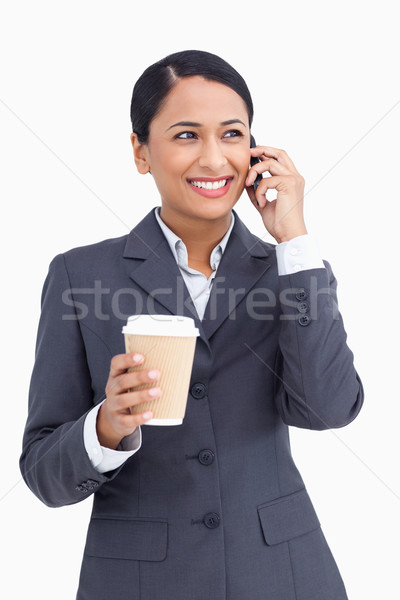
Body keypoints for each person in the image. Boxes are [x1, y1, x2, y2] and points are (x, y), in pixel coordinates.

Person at [20, 49, 364, 600]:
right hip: (139, 580)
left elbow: (328, 409)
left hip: (282, 575)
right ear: (140, 151)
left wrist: (294, 240)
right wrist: (107, 425)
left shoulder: (292, 271)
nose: (214, 159)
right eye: (185, 135)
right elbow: (43, 474)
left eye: (232, 134)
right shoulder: (78, 275)